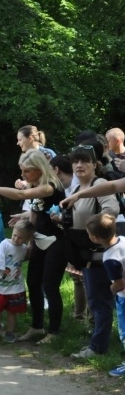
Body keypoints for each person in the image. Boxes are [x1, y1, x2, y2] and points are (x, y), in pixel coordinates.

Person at [0, 148, 67, 343]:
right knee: (33, 283)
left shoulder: (49, 186)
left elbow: (20, 195)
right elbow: (35, 214)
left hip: (57, 243)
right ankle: (36, 327)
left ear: (39, 169)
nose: (23, 175)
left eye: (27, 171)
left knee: (50, 287)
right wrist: (27, 232)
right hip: (40, 241)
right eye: (22, 170)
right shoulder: (37, 185)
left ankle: (53, 332)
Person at [62, 146, 119, 358]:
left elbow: (111, 210)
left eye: (84, 161)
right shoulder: (78, 189)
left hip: (99, 256)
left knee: (100, 301)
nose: (79, 165)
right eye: (75, 161)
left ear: (95, 164)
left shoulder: (100, 184)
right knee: (97, 301)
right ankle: (99, 340)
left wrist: (93, 228)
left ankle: (98, 348)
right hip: (84, 255)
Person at [87, 213, 125, 375]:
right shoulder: (123, 240)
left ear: (95, 238)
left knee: (124, 332)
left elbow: (119, 283)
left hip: (124, 298)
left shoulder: (110, 258)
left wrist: (112, 290)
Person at [0, 220, 35, 343]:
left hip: (15, 286)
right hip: (1, 285)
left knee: (12, 311)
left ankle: (10, 332)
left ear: (26, 239)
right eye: (14, 235)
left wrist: (31, 244)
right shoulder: (5, 244)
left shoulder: (24, 248)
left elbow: (25, 257)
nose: (16, 239)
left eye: (20, 238)